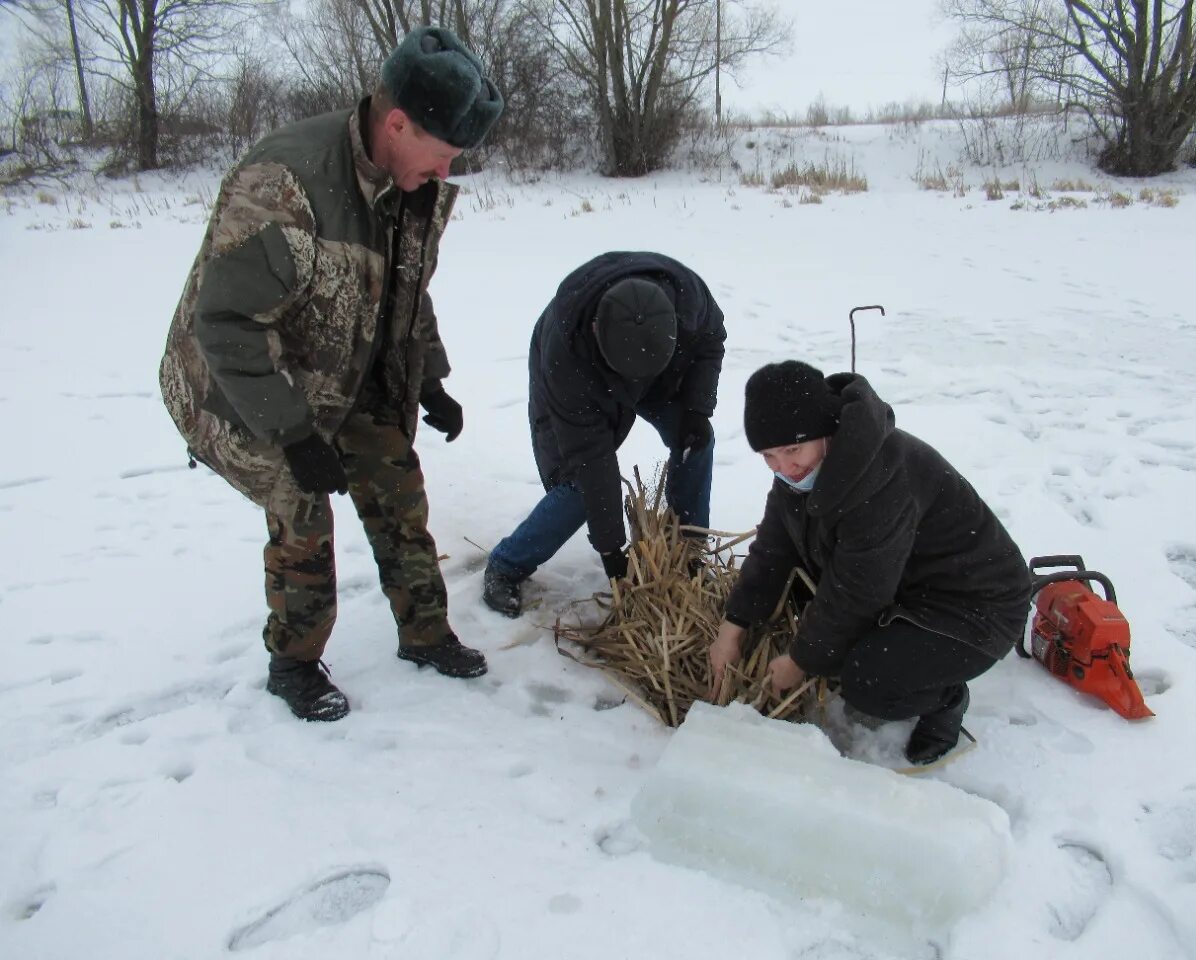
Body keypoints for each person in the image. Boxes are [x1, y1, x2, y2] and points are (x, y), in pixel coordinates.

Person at [158, 26, 504, 722]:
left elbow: (405, 289)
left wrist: (429, 377)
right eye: (441, 157)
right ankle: (294, 663)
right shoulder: (282, 184)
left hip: (343, 367)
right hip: (247, 383)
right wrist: (290, 432)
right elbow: (224, 324)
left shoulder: (407, 186)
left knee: (398, 487)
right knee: (302, 512)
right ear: (398, 123)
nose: (444, 174)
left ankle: (426, 634)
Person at [708, 361, 1030, 765]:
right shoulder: (802, 470)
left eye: (792, 450)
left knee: (869, 679)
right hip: (905, 581)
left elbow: (859, 592)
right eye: (768, 456)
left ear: (824, 430)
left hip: (975, 606)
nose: (784, 468)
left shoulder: (880, 476)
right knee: (798, 597)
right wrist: (731, 628)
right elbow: (774, 548)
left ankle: (945, 699)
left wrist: (800, 660)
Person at [481, 252, 727, 616]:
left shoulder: (690, 299)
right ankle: (506, 565)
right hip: (585, 374)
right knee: (579, 487)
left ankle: (686, 552)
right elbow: (592, 461)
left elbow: (710, 343)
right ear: (596, 329)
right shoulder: (565, 357)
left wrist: (696, 410)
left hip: (659, 369)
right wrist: (612, 551)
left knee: (697, 442)